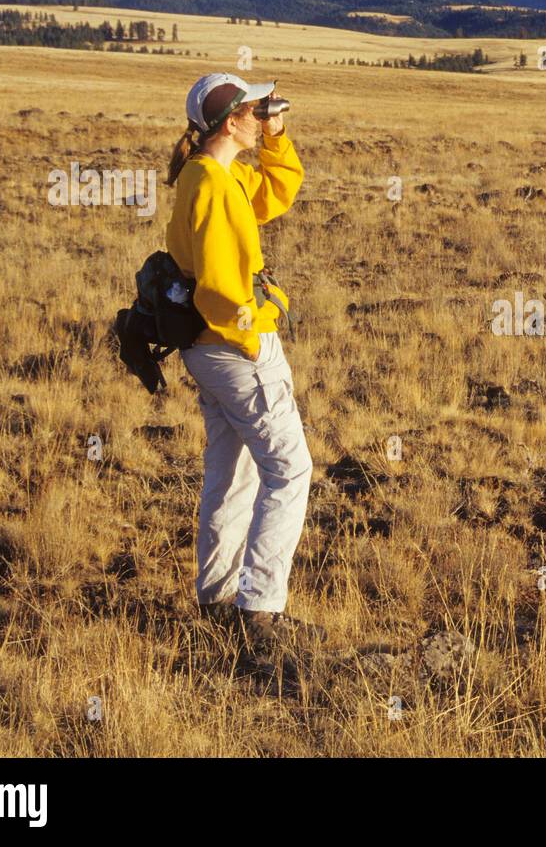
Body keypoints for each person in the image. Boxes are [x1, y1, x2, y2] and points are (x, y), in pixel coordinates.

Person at [163, 73, 316, 660]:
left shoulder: (214, 172)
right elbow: (225, 291)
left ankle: (218, 598)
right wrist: (256, 339)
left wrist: (276, 132)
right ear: (231, 122)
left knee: (234, 473)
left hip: (207, 350)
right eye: (256, 110)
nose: (263, 115)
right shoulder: (213, 186)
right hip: (235, 348)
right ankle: (260, 610)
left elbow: (279, 192)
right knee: (289, 470)